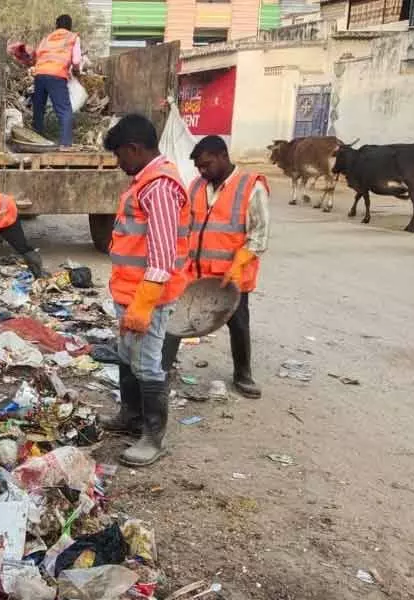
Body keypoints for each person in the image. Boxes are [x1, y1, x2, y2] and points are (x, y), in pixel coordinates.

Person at [98, 114, 191, 467]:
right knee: (127, 355)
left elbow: (163, 253)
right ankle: (131, 417)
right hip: (131, 294)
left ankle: (153, 437)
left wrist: (144, 303)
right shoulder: (145, 181)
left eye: (120, 155)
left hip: (147, 297)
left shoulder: (160, 186)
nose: (119, 164)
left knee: (148, 364)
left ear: (134, 148)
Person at [161, 135, 270, 398]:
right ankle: (161, 371)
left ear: (223, 156)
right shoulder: (198, 185)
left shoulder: (250, 186)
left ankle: (243, 375)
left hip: (230, 275)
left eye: (207, 165)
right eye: (199, 167)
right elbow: (185, 226)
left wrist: (237, 265)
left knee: (238, 322)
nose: (202, 171)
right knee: (177, 320)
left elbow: (259, 236)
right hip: (195, 272)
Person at [32, 14, 81, 150]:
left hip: (40, 74)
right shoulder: (73, 37)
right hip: (57, 74)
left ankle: (35, 142)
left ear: (56, 26)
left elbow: (36, 55)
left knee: (39, 109)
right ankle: (65, 144)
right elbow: (76, 61)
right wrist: (76, 71)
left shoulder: (46, 38)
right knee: (64, 110)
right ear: (70, 26)